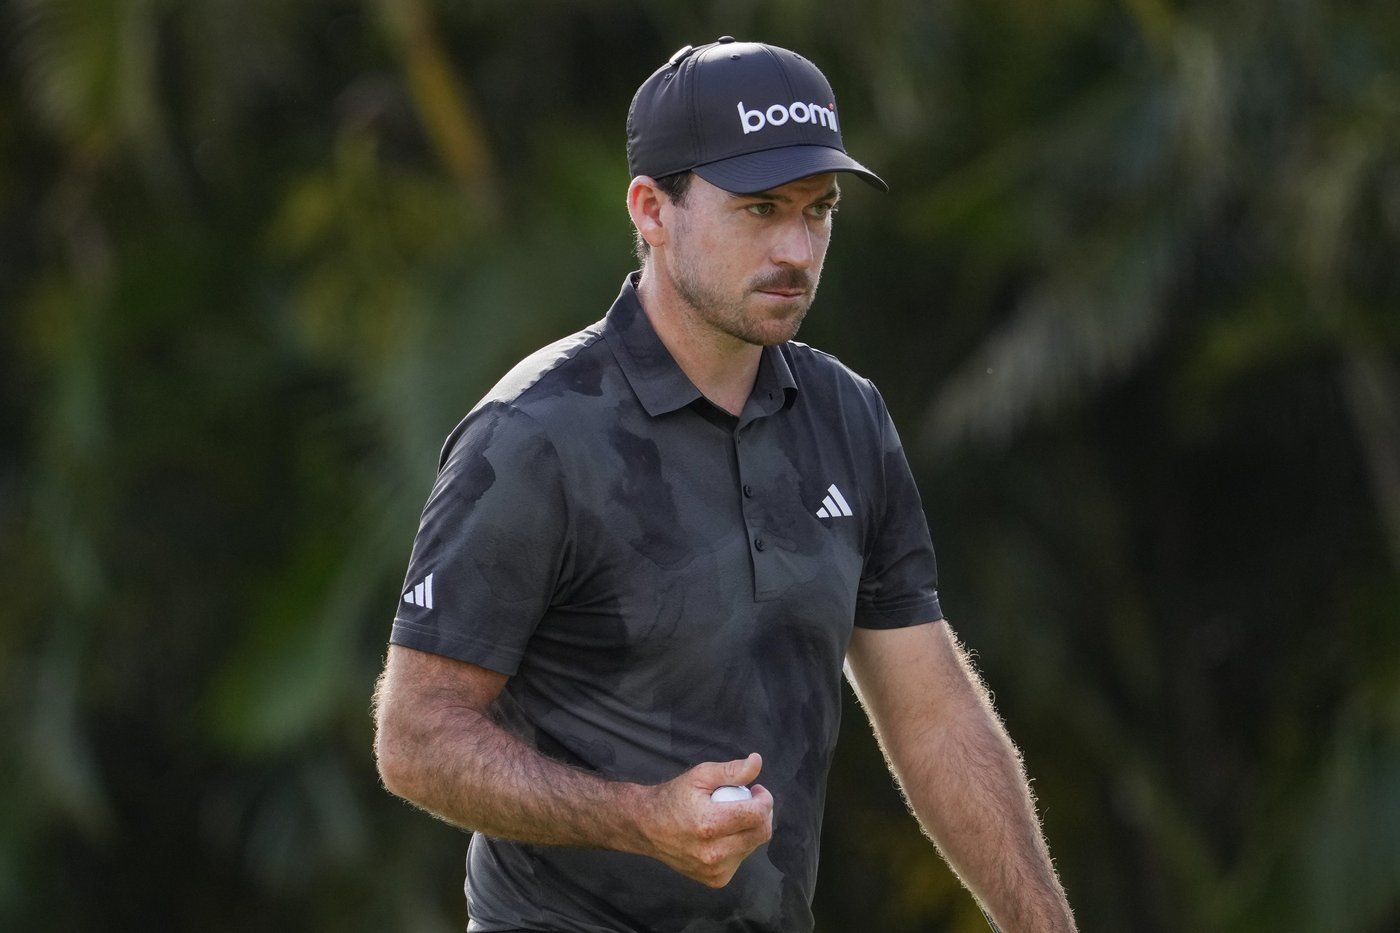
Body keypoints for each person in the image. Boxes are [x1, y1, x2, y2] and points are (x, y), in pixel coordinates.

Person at [373, 37, 1076, 933]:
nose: (796, 247)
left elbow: (933, 712)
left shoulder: (846, 416)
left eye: (818, 211)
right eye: (759, 209)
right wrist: (642, 819)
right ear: (651, 209)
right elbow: (416, 738)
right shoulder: (534, 435)